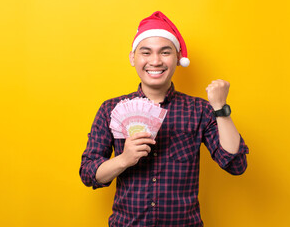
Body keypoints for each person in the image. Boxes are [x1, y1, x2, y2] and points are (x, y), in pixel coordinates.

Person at [79, 11, 249, 227]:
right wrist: (124, 159)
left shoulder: (200, 110)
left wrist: (220, 107)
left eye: (165, 52)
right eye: (146, 52)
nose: (156, 61)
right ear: (133, 58)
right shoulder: (110, 109)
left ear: (178, 58)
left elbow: (236, 164)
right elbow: (88, 173)